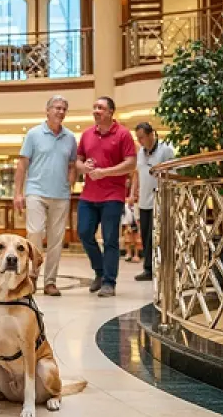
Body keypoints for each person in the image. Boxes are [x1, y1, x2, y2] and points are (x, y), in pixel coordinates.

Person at [13, 95, 77, 296]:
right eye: (57, 108)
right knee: (35, 234)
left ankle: (50, 282)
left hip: (61, 195)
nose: (60, 112)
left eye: (64, 108)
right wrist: (17, 193)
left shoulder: (70, 138)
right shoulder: (33, 134)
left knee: (57, 239)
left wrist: (71, 183)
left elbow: (72, 164)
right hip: (36, 192)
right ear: (47, 110)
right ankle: (31, 277)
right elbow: (22, 165)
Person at [75, 96, 136, 297]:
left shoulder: (123, 135)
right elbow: (78, 159)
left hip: (112, 195)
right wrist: (83, 167)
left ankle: (109, 282)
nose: (96, 111)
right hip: (89, 195)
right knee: (84, 232)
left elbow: (130, 163)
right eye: (94, 107)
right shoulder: (86, 135)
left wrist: (105, 172)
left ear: (111, 112)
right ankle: (100, 272)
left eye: (100, 108)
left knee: (110, 239)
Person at [131, 122, 175, 281]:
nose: (140, 141)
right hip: (144, 201)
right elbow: (137, 174)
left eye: (142, 137)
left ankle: (164, 267)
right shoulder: (140, 153)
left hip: (161, 201)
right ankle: (148, 268)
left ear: (151, 135)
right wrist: (133, 193)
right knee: (146, 236)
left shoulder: (166, 150)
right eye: (138, 138)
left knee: (160, 236)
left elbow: (173, 176)